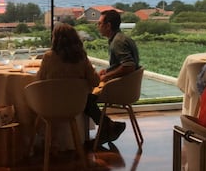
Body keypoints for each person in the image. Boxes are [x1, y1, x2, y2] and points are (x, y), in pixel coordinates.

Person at [35, 22, 100, 152]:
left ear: (55, 39)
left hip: (51, 106)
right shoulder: (82, 57)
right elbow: (95, 82)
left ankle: (38, 141)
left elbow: (39, 81)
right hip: (76, 106)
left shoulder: (49, 57)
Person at [85, 9, 140, 145]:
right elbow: (125, 65)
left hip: (121, 89)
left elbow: (129, 66)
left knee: (84, 100)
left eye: (99, 23)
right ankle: (109, 127)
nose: (97, 26)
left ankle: (108, 127)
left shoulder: (117, 42)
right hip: (128, 86)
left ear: (108, 25)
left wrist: (107, 76)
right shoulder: (121, 38)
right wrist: (109, 70)